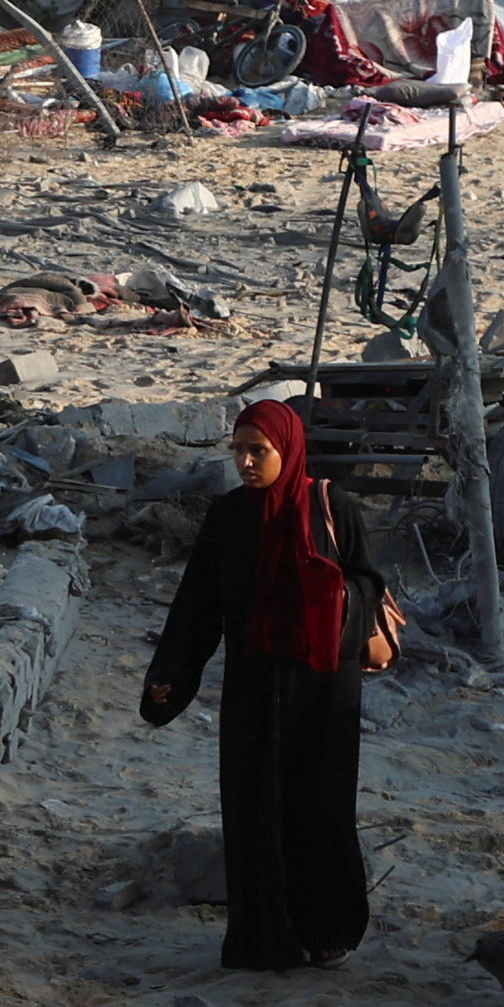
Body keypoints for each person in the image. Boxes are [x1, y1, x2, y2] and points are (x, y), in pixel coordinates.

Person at [143, 399, 394, 971]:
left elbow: (369, 584)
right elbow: (199, 605)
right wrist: (171, 675)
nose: (246, 462)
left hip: (325, 686)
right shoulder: (230, 517)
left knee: (320, 804)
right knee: (253, 806)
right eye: (239, 451)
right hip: (253, 682)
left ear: (288, 450)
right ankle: (263, 939)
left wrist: (330, 597)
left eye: (259, 451)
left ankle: (325, 930)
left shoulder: (332, 507)